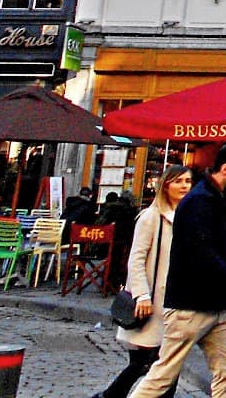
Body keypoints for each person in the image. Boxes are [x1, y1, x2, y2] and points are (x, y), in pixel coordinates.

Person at [129, 143, 226, 398]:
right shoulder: (199, 201)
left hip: (220, 305)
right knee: (163, 376)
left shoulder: (225, 200)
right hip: (190, 305)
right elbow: (202, 253)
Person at [93, 164, 192, 398]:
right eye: (179, 181)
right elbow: (135, 259)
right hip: (151, 302)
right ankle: (109, 396)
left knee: (167, 363)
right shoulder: (151, 217)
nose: (184, 186)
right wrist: (142, 295)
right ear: (165, 185)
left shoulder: (188, 218)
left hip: (175, 303)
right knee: (144, 363)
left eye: (188, 182)